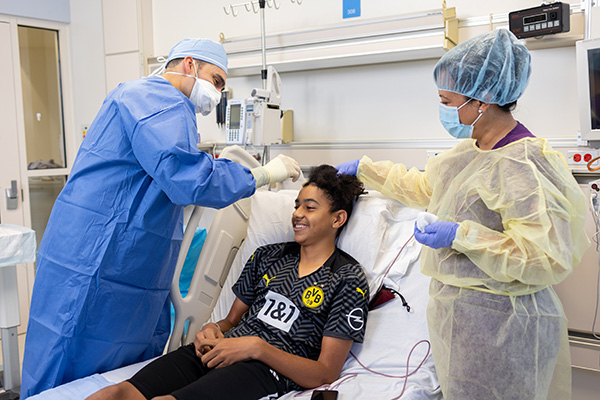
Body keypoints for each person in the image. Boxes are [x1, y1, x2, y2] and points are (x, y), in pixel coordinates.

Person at [21, 38, 301, 398]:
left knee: (118, 359)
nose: (217, 93)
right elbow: (187, 177)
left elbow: (175, 168)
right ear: (189, 64)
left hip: (128, 254)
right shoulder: (151, 100)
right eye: (215, 80)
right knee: (68, 338)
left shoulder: (169, 109)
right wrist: (260, 175)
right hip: (93, 249)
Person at [337, 29, 589, 400]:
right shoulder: (469, 153)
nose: (442, 108)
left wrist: (462, 236)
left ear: (482, 101)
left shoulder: (525, 164)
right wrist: (367, 169)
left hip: (505, 325)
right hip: (459, 320)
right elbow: (426, 188)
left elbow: (544, 256)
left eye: (446, 99)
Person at [86, 164, 369, 400]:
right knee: (118, 394)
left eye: (309, 208)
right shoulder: (268, 256)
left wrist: (256, 347)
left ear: (338, 218)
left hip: (264, 369)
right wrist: (211, 329)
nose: (297, 214)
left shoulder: (346, 279)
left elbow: (325, 372)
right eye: (297, 206)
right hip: (222, 349)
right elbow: (232, 321)